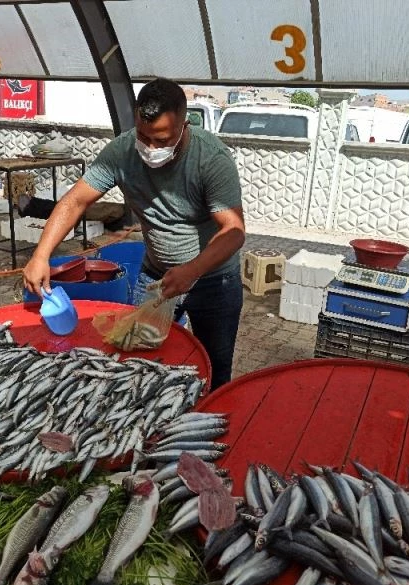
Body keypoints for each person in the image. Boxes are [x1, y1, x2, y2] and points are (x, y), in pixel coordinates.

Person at [23, 78, 245, 390]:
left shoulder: (211, 160)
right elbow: (75, 201)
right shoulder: (122, 151)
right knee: (138, 360)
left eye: (162, 140)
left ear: (184, 125)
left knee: (216, 371)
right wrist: (41, 255)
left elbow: (234, 231)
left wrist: (193, 270)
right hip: (154, 278)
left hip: (213, 281)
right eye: (144, 136)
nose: (150, 149)